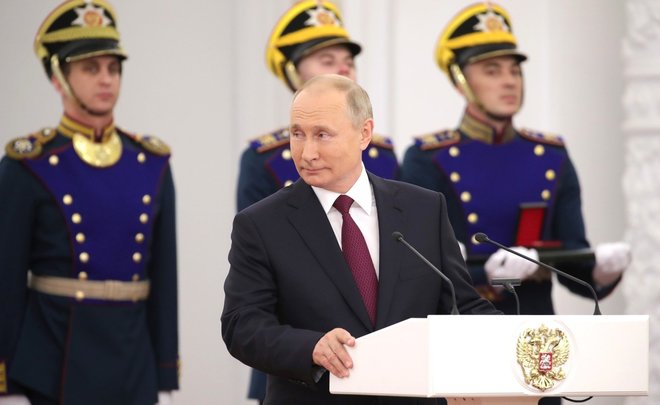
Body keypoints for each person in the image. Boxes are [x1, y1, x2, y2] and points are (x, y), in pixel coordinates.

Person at [222, 74, 500, 405]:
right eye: (297, 134)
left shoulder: (424, 209)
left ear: (364, 133)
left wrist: (524, 340)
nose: (307, 152)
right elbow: (242, 325)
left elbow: (462, 306)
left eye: (322, 135)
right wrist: (311, 347)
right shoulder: (261, 223)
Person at [401, 4, 630, 403]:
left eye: (515, 70)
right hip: (465, 336)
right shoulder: (428, 159)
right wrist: (484, 273)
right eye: (492, 71)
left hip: (538, 343)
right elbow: (420, 268)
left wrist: (601, 271)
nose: (509, 81)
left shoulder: (551, 156)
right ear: (460, 80)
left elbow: (571, 264)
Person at [0, 1, 179, 404]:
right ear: (58, 77)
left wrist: (165, 377)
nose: (106, 80)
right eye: (90, 68)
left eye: (113, 68)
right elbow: (5, 285)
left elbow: (164, 283)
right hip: (53, 368)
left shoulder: (151, 163)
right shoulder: (28, 166)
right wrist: (6, 386)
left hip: (134, 366)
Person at [237, 1, 399, 402]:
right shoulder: (264, 163)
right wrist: (307, 348)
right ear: (294, 74)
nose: (343, 69)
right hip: (302, 377)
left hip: (394, 379)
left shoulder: (388, 164)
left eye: (348, 62)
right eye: (327, 61)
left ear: (364, 134)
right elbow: (252, 305)